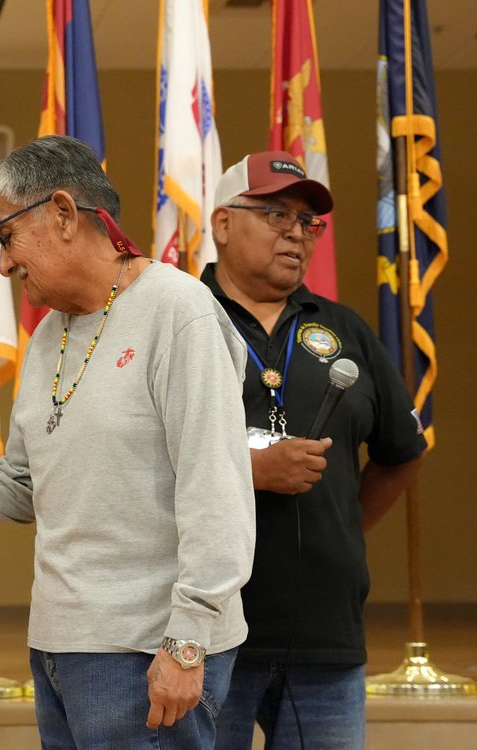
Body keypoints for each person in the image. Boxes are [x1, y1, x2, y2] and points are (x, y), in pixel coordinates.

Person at [0, 135, 256, 748]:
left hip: (149, 651)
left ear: (62, 213)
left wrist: (187, 643)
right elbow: (22, 484)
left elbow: (218, 491)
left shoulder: (178, 311)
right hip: (60, 647)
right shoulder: (46, 337)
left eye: (5, 235)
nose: (3, 263)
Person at [202, 151, 426, 749]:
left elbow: (402, 451)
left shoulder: (345, 329)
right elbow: (132, 458)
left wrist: (342, 523)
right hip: (199, 633)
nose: (297, 233)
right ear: (223, 224)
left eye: (309, 223)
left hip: (326, 634)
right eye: (276, 214)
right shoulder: (177, 320)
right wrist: (249, 472)